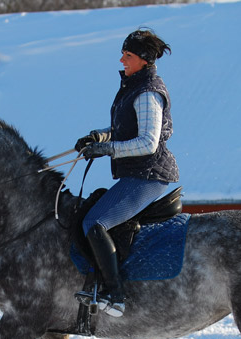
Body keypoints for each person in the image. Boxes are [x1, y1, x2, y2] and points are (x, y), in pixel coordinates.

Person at [74, 28, 179, 318]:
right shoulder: (133, 85)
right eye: (123, 53)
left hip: (149, 174)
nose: (121, 59)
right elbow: (124, 130)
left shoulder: (147, 92)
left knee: (95, 223)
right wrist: (99, 138)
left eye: (128, 55)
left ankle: (115, 295)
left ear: (144, 59)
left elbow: (148, 142)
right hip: (136, 173)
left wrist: (108, 150)